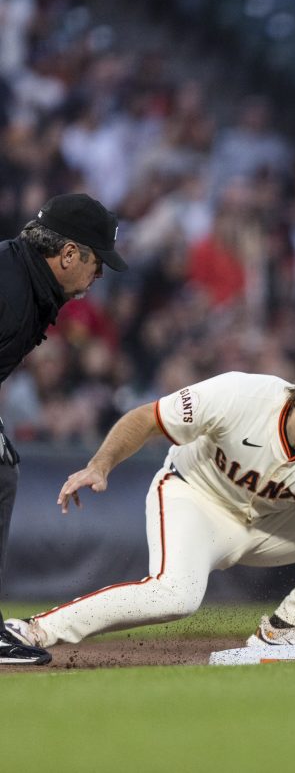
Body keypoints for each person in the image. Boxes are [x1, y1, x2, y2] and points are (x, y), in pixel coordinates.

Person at [3, 344, 295, 660]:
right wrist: (100, 466)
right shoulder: (241, 395)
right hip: (194, 497)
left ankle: (287, 627)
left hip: (269, 524)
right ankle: (31, 630)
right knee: (175, 596)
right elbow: (147, 418)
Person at [1, 193, 128, 666]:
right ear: (68, 253)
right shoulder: (11, 289)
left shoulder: (23, 278)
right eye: (97, 263)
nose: (99, 276)